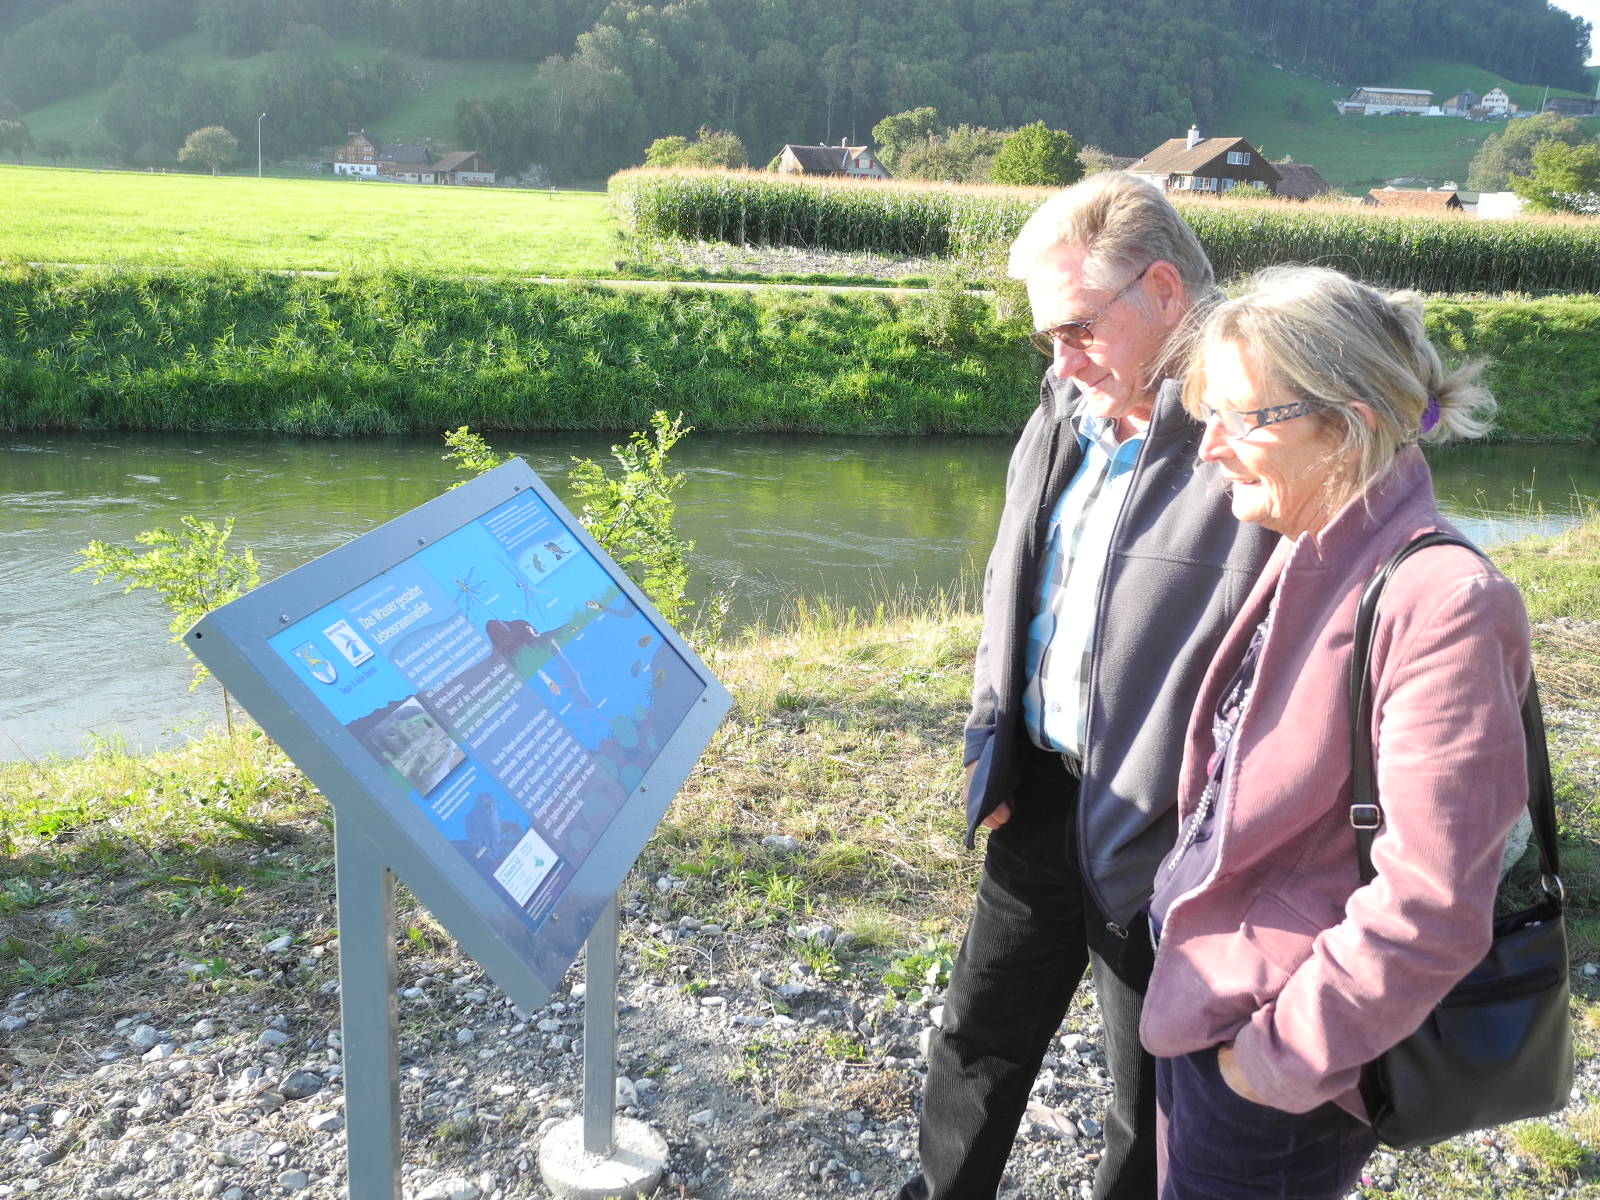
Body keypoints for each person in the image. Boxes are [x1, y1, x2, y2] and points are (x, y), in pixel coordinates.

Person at [898, 172, 1276, 1200]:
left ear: (1164, 290)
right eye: (1047, 337)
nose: (1059, 358)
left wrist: (1212, 830)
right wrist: (991, 738)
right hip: (1039, 794)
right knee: (975, 1038)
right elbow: (1011, 581)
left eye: (1076, 328)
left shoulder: (1256, 438)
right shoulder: (1068, 405)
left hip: (1167, 833)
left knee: (1151, 1094)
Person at [1139, 265, 1533, 1198]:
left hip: (1276, 1064)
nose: (1209, 448)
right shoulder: (1317, 542)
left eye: (1239, 418)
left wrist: (1271, 1065)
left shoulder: (1445, 603)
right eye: (1207, 415)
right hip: (1211, 1005)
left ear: (1346, 425)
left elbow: (1433, 905)